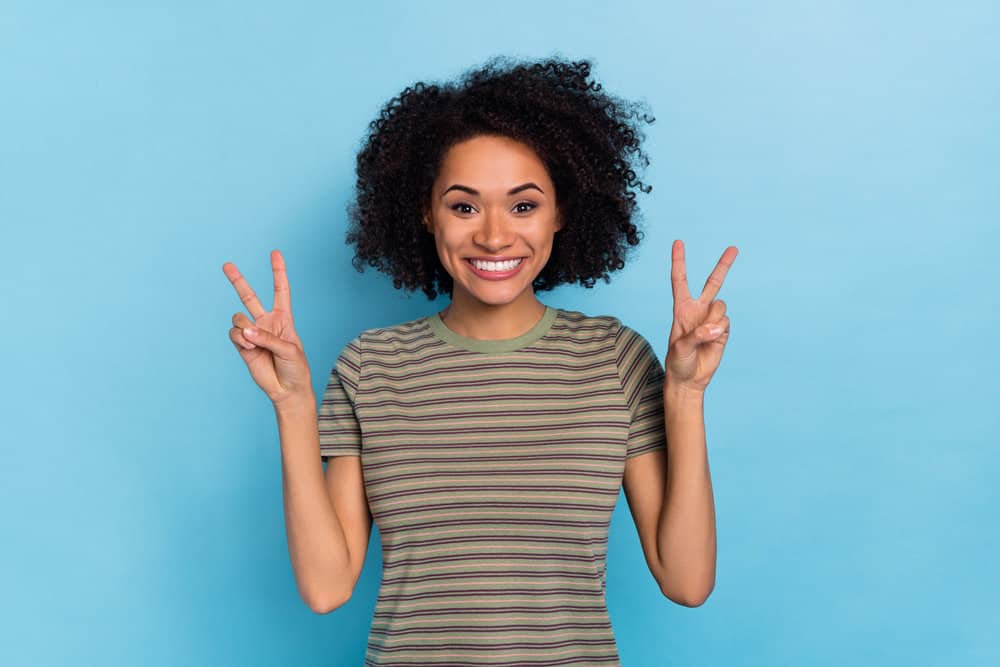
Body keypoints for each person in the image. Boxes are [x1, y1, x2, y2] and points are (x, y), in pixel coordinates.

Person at [223, 55, 737, 665]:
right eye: (464, 206)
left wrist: (685, 394)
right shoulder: (370, 366)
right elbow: (327, 587)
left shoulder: (614, 359)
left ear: (561, 211)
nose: (494, 236)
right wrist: (291, 404)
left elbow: (687, 582)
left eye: (523, 206)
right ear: (425, 211)